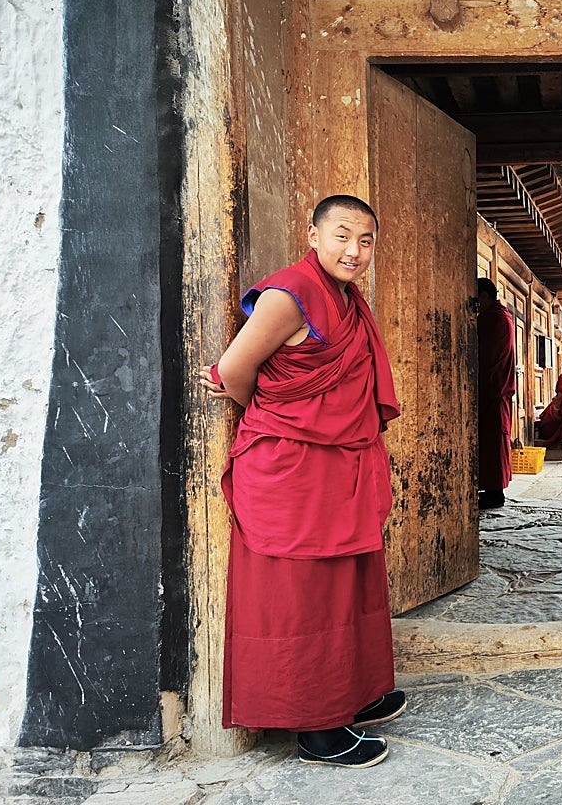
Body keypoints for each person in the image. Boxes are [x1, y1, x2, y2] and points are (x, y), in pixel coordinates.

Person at [198, 195, 405, 768]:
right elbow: (235, 372)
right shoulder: (289, 293)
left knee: (348, 580)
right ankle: (315, 725)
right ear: (312, 236)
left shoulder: (345, 298)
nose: (354, 251)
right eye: (341, 235)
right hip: (291, 467)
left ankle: (352, 692)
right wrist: (280, 417)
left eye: (365, 240)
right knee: (302, 595)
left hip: (338, 463)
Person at [476, 277, 517, 509]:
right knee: (492, 442)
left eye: (477, 299)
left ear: (484, 296)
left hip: (493, 388)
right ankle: (491, 490)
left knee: (492, 442)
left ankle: (494, 492)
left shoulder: (493, 318)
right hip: (496, 387)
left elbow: (485, 355)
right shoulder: (502, 317)